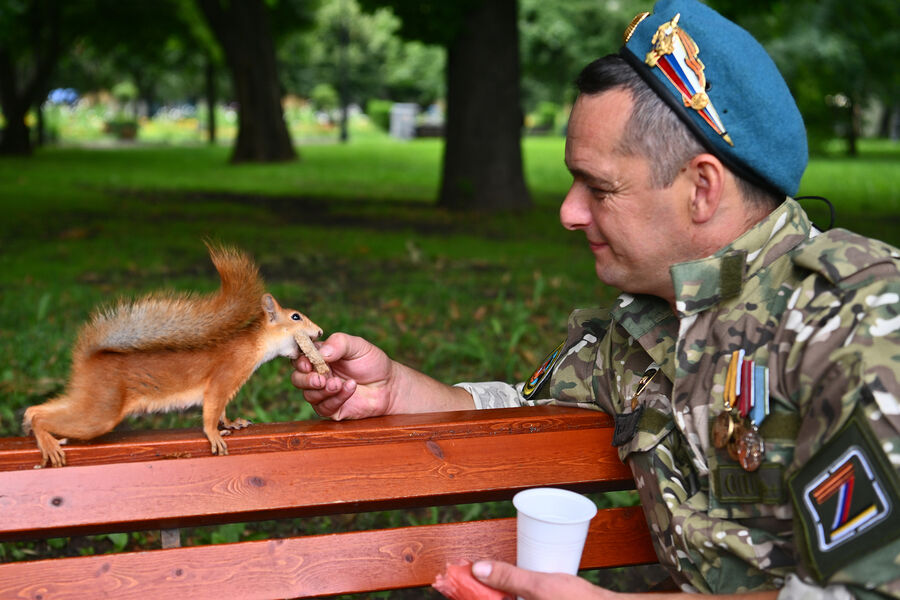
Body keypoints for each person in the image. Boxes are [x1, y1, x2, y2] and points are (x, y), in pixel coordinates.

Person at [292, 0, 900, 598]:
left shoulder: (858, 326)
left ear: (702, 189)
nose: (568, 212)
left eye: (599, 188)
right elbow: (524, 412)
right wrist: (397, 389)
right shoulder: (653, 324)